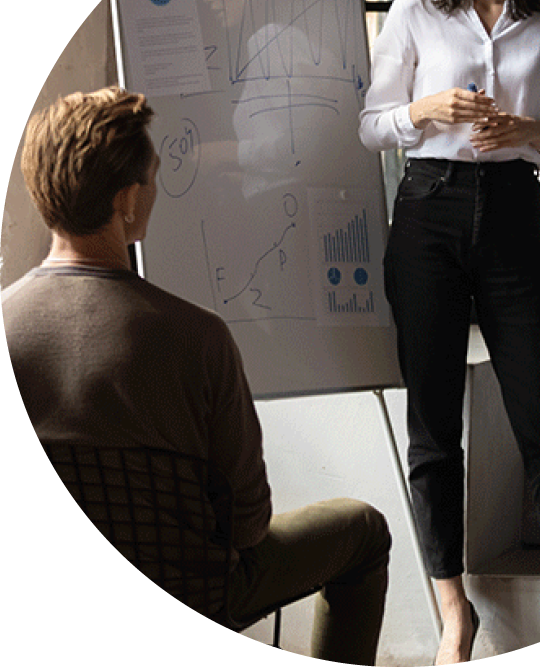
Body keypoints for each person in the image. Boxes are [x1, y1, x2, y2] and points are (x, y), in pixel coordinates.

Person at [3, 87, 391, 666]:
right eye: (153, 177)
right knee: (363, 532)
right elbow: (248, 525)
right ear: (127, 200)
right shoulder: (196, 337)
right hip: (182, 604)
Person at [359, 0, 540, 663]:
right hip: (425, 211)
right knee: (433, 430)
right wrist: (421, 113)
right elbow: (369, 126)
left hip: (511, 214)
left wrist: (535, 129)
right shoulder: (412, 12)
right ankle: (452, 614)